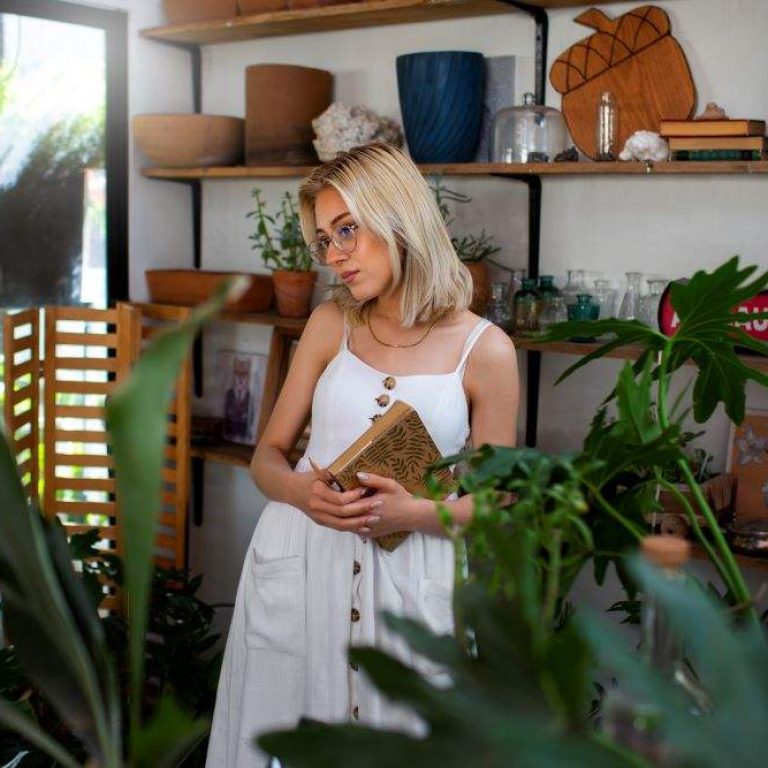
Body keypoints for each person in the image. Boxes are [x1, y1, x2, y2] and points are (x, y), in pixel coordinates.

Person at [206, 143, 519, 766]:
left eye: (347, 229)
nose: (333, 254)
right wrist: (301, 491)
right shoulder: (329, 324)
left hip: (412, 582)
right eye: (324, 238)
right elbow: (269, 455)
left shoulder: (487, 351)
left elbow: (496, 505)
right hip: (302, 561)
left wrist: (413, 515)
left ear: (399, 216)